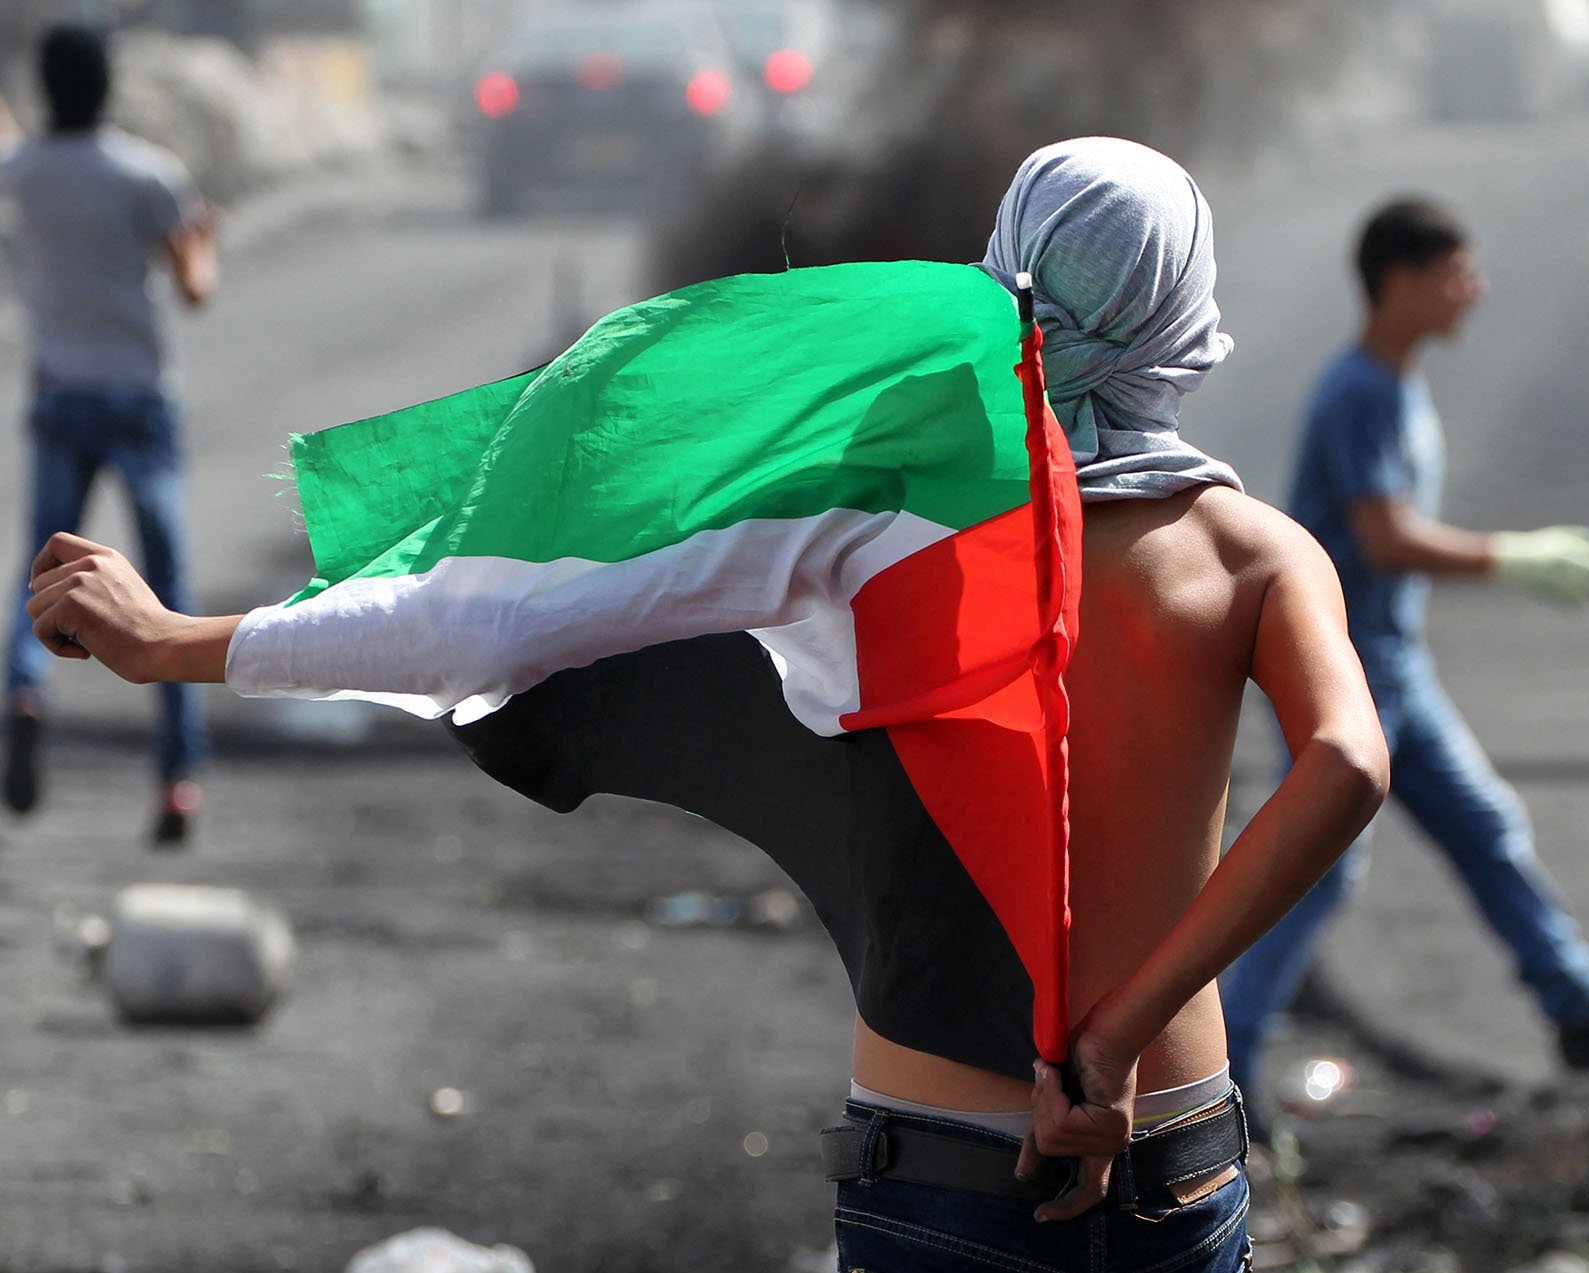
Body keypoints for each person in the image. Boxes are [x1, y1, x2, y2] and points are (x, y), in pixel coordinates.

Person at [23, 137, 1390, 1270]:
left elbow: (493, 612)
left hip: (950, 1163)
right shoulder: (1253, 552)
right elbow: (1347, 765)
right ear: (1184, 313)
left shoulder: (888, 519)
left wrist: (178, 641)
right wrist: (1118, 1032)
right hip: (1177, 1154)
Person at [1220, 195, 1589, 1129]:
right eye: (1455, 274)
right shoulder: (1357, 390)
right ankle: (1224, 1064)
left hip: (1391, 661)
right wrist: (1513, 556)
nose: (1472, 292)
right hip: (1338, 664)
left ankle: (1578, 1006)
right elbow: (1384, 537)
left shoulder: (1395, 382)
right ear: (1401, 282)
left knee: (1484, 823)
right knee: (1324, 867)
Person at [1, 23, 219, 845]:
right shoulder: (147, 172)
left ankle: (24, 691)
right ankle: (178, 776)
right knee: (164, 584)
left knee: (43, 572)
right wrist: (207, 249)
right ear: (108, 85)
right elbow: (194, 288)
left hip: (61, 393)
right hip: (139, 398)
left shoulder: (24, 171)